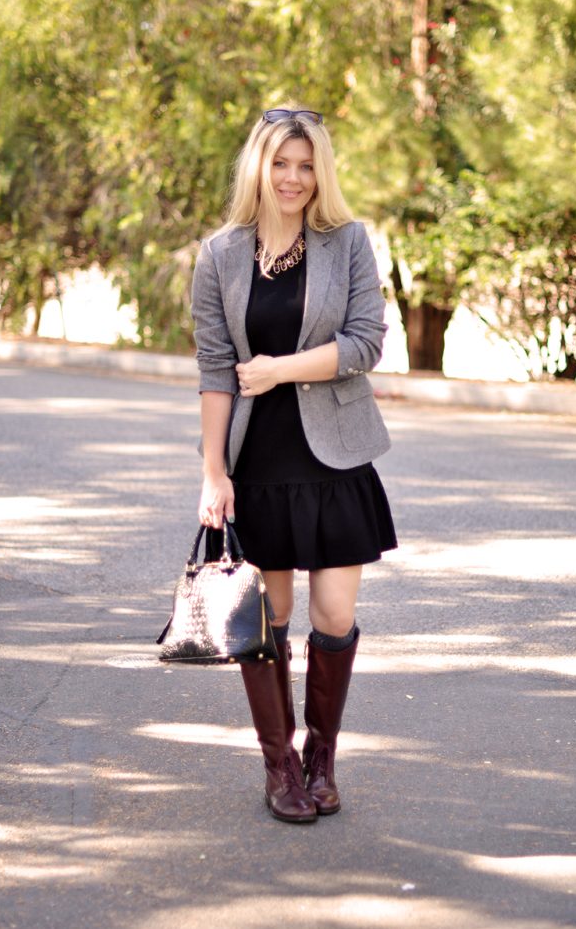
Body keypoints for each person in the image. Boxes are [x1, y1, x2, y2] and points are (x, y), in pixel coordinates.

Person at [191, 106, 397, 824]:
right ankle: (279, 767)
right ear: (259, 165)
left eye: (307, 166)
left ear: (321, 174)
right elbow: (216, 370)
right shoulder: (220, 253)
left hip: (335, 458)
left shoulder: (348, 243)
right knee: (271, 619)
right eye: (282, 163)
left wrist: (278, 369)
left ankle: (322, 756)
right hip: (259, 464)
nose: (294, 178)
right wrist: (214, 473)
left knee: (335, 614)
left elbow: (366, 343)